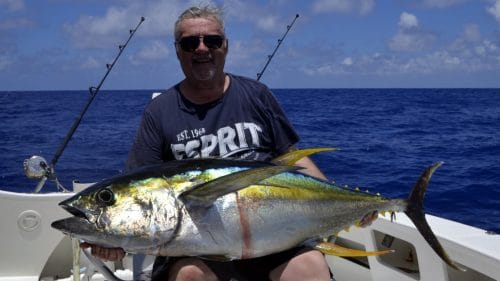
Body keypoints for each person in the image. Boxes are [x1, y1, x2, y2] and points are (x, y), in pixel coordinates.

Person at [83, 4, 336, 281]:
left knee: (310, 267)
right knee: (190, 274)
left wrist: (340, 200)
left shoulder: (257, 95)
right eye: (191, 43)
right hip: (194, 246)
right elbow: (141, 185)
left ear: (225, 46)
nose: (202, 49)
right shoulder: (160, 112)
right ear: (178, 50)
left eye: (212, 41)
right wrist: (116, 241)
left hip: (270, 235)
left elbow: (291, 156)